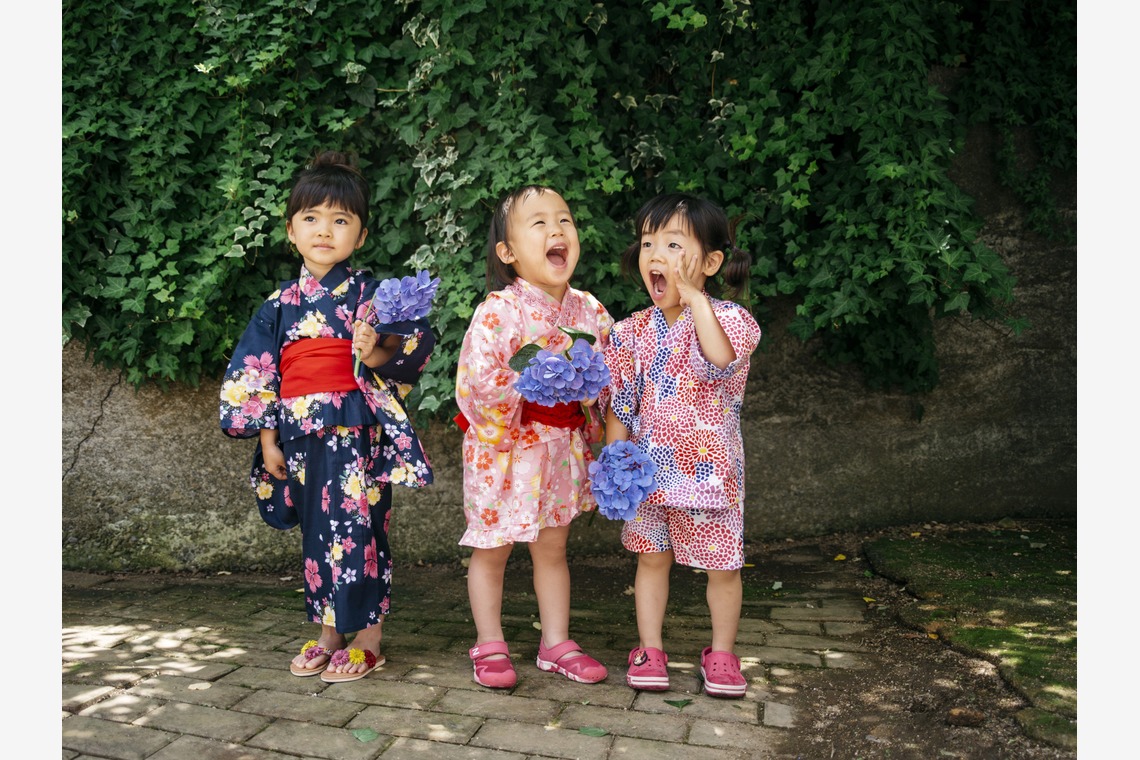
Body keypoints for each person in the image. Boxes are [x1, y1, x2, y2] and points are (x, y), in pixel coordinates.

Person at [219, 150, 436, 684]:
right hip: (300, 431)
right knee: (319, 533)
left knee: (361, 530)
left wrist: (374, 348)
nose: (324, 230)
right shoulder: (278, 304)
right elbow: (258, 374)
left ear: (360, 236)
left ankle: (369, 637)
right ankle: (330, 632)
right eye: (311, 218)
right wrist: (268, 440)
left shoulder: (372, 296)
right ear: (291, 230)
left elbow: (410, 349)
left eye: (340, 220)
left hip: (358, 428)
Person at [602, 192, 760, 698]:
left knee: (723, 567)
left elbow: (718, 361)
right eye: (648, 243)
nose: (656, 255)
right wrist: (614, 465)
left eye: (673, 244)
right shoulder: (629, 332)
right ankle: (650, 648)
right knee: (651, 561)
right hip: (647, 478)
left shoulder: (732, 320)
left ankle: (722, 654)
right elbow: (621, 406)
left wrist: (694, 298)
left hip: (709, 477)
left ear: (710, 262)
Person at [454, 185, 613, 688]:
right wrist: (533, 382)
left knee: (552, 547)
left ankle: (556, 642)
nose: (556, 230)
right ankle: (489, 642)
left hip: (560, 447)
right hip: (506, 449)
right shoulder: (498, 311)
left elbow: (612, 377)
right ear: (508, 252)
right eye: (539, 223)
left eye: (564, 220)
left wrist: (594, 397)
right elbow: (479, 381)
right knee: (493, 547)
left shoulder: (589, 310)